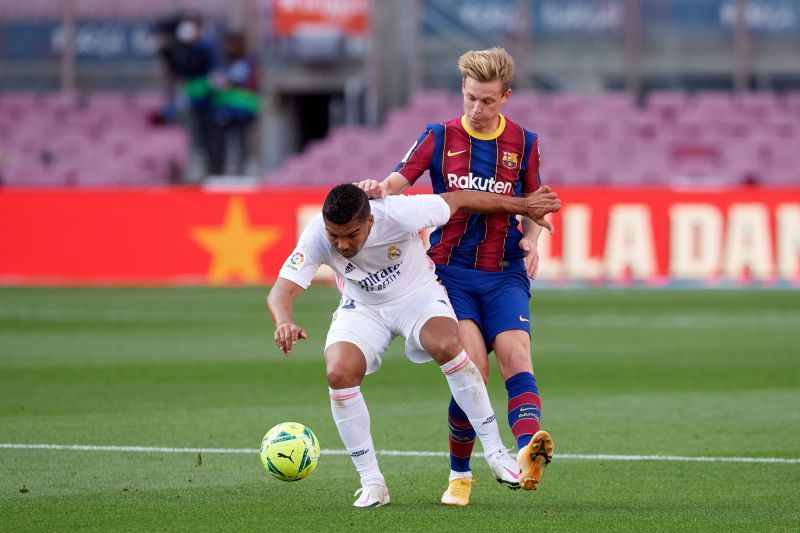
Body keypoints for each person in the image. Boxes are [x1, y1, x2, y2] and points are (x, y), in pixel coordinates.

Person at [267, 183, 560, 508]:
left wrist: (522, 205)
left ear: (370, 222)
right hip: (362, 307)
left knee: (447, 343)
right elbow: (280, 291)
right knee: (338, 373)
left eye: (351, 235)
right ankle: (372, 482)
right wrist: (283, 321)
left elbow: (460, 199)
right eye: (335, 235)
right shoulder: (318, 235)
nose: (342, 244)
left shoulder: (399, 213)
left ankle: (495, 452)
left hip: (417, 295)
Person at [356, 47, 554, 506]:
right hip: (451, 275)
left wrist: (532, 241)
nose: (477, 110)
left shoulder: (524, 142)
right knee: (473, 370)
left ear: (505, 96)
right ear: (462, 92)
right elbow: (395, 183)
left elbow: (533, 204)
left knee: (516, 356)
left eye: (487, 101)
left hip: (505, 273)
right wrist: (375, 188)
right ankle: (460, 475)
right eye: (470, 99)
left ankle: (527, 451)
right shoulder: (438, 136)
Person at [209, 31, 260, 175]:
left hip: (243, 110)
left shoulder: (248, 63)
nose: (230, 47)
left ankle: (245, 168)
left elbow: (250, 83)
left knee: (242, 140)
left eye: (233, 44)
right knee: (225, 142)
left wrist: (230, 81)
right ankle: (225, 169)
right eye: (228, 44)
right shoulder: (223, 64)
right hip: (226, 111)